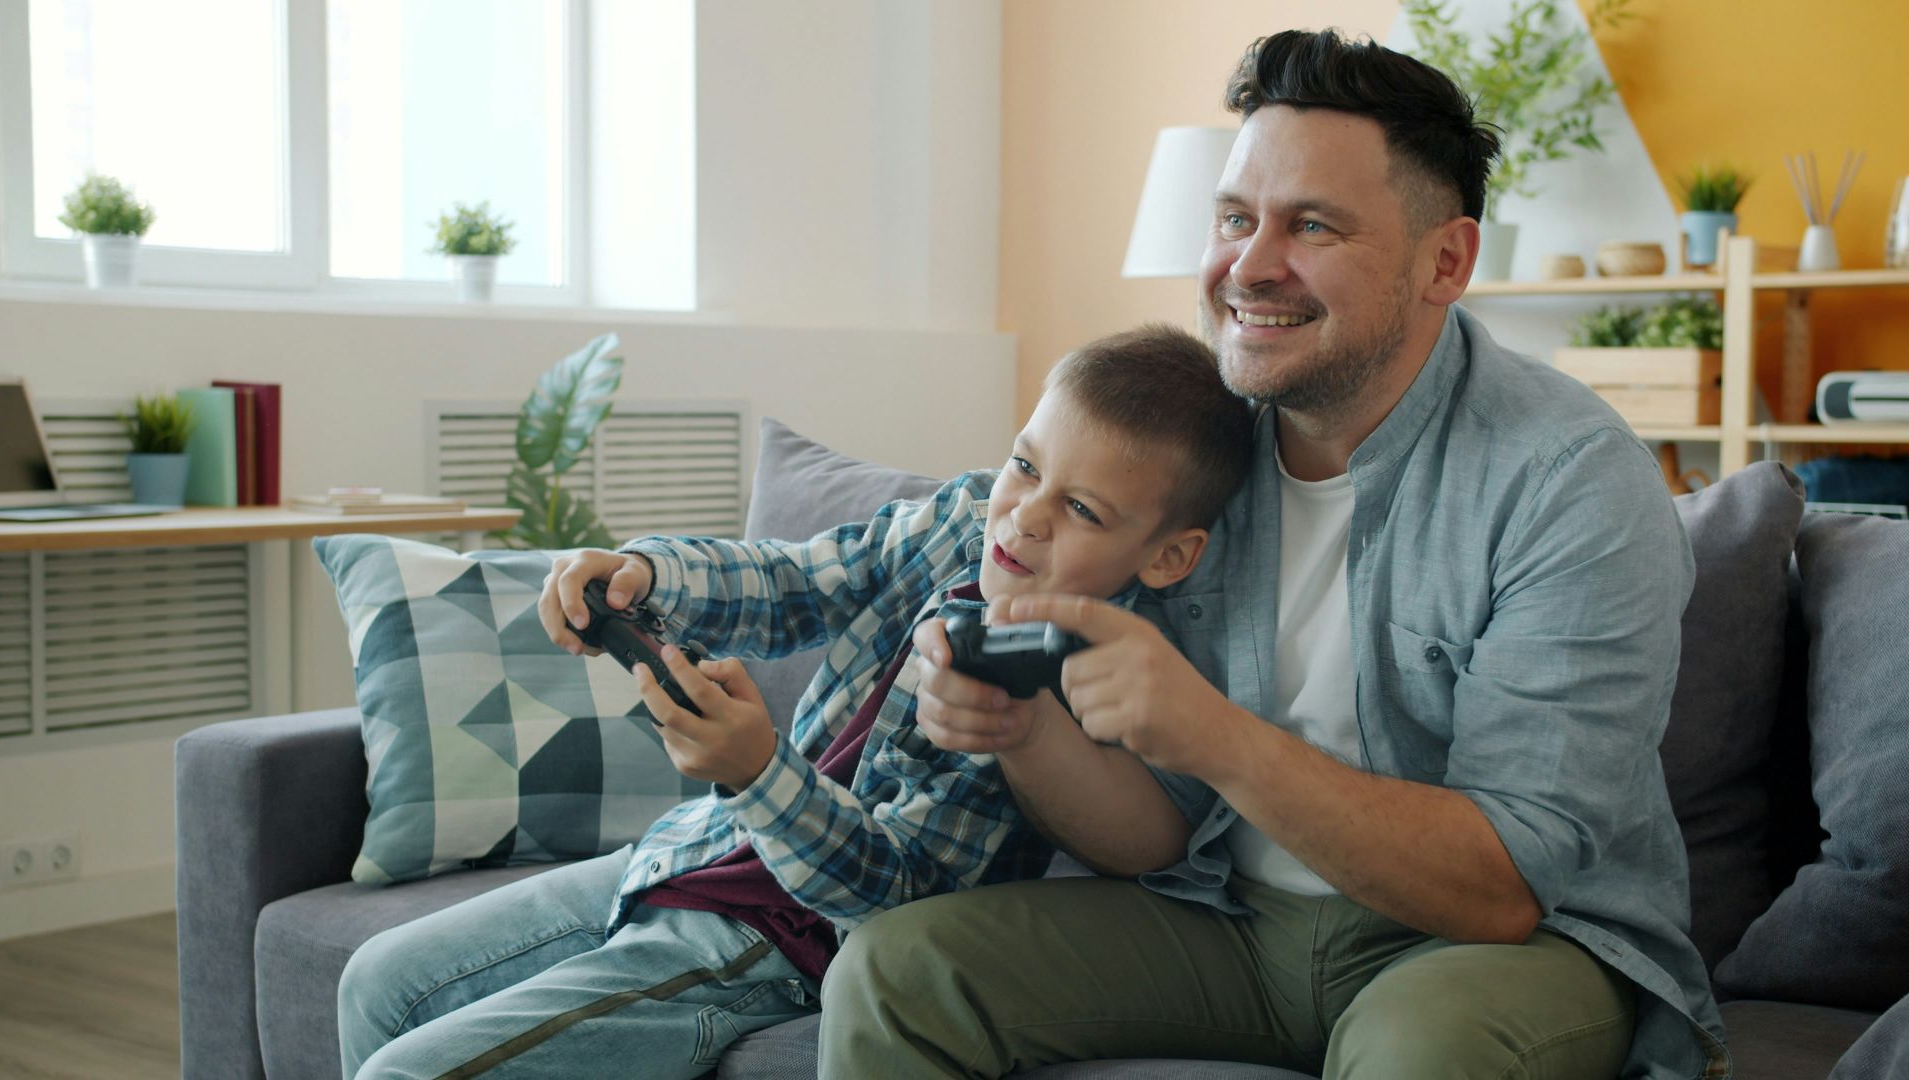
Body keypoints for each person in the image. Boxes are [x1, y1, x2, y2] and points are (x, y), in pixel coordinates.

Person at [818, 29, 1730, 1080]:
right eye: (1235, 218)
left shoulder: (1571, 482)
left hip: (1501, 949)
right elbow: (1156, 836)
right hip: (1232, 923)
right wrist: (1021, 730)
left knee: (1419, 1051)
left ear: (1448, 261)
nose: (1247, 266)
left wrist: (1213, 733)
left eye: (1311, 226)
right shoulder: (1190, 454)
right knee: (895, 974)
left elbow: (1502, 886)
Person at [333, 324, 1256, 1079]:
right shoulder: (963, 517)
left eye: (1084, 511)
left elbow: (891, 898)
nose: (1024, 516)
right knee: (375, 981)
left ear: (1169, 555)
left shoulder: (1072, 687)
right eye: (1025, 466)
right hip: (695, 853)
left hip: (777, 941)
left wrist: (755, 773)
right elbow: (795, 581)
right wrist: (648, 571)